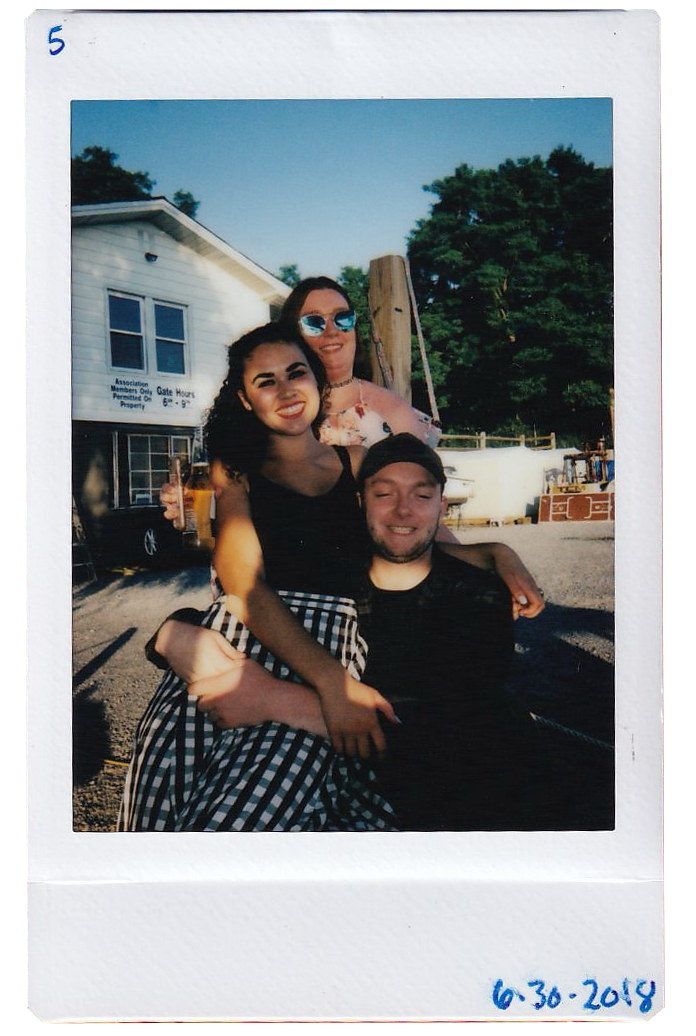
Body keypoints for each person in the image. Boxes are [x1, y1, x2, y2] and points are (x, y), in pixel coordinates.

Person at [153, 435, 547, 831]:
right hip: (336, 780)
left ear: (441, 507)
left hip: (445, 815)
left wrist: (277, 700)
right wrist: (170, 634)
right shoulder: (335, 583)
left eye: (422, 496)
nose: (403, 510)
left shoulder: (477, 597)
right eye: (384, 494)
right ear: (360, 503)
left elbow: (452, 738)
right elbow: (251, 610)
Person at [278, 276, 441, 447]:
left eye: (342, 318)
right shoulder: (277, 412)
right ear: (293, 334)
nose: (332, 331)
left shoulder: (394, 410)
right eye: (314, 322)